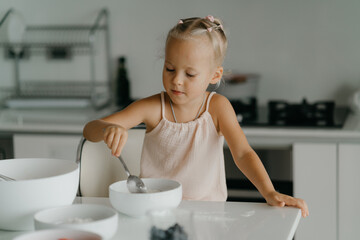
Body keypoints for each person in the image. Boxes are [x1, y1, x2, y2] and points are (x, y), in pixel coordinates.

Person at [83, 15, 309, 218]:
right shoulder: (153, 107)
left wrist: (269, 192)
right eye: (169, 69)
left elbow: (243, 153)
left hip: (210, 215)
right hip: (156, 213)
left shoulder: (217, 107)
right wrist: (107, 129)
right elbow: (90, 129)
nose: (176, 80)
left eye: (189, 73)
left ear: (214, 75)